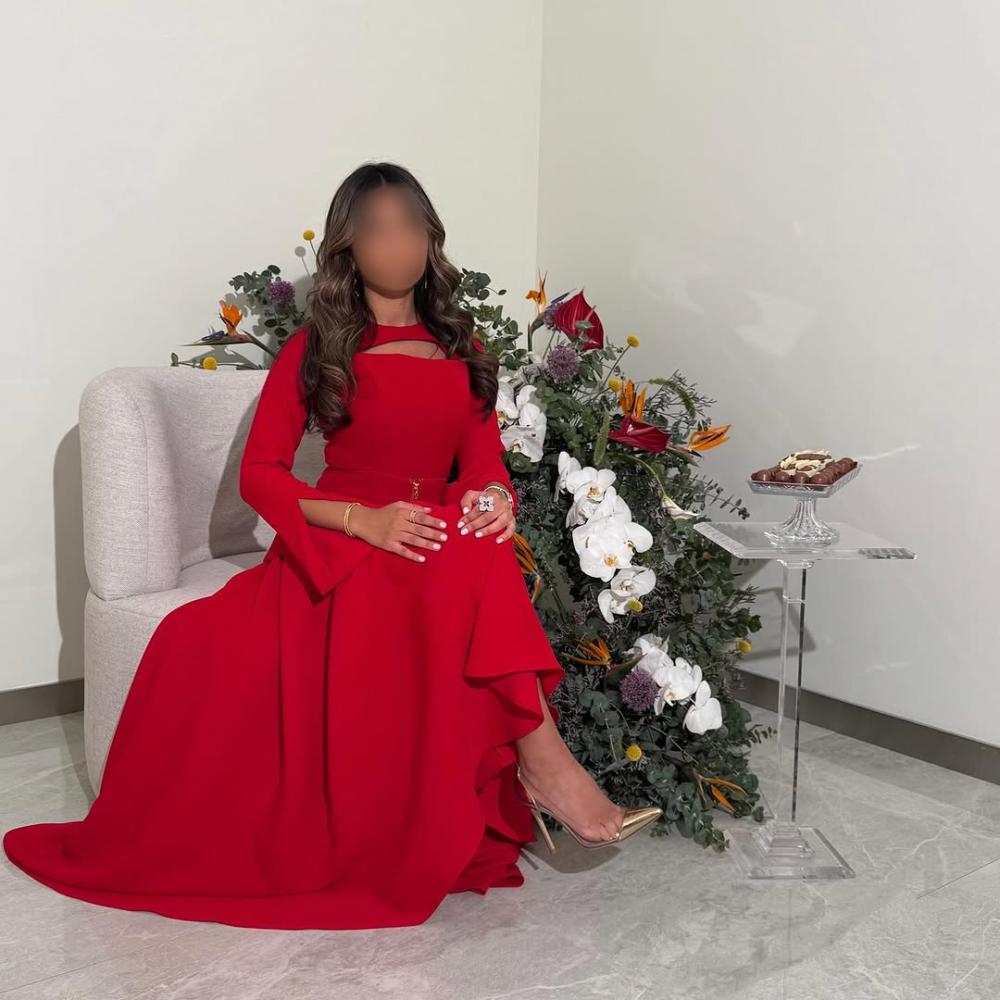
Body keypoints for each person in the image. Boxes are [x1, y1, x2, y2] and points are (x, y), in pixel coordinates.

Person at [2, 161, 661, 931]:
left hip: (432, 533)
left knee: (474, 545)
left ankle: (541, 766)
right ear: (348, 247)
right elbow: (261, 476)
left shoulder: (462, 344)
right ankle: (545, 765)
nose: (397, 244)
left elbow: (481, 462)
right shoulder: (319, 347)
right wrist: (362, 521)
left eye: (410, 226)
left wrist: (493, 499)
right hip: (346, 541)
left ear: (431, 238)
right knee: (463, 559)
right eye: (377, 230)